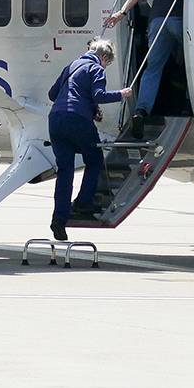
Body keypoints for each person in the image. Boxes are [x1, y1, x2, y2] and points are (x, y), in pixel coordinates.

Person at [47, 38, 127, 241]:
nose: (106, 66)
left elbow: (52, 94)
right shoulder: (96, 68)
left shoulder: (72, 66)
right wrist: (121, 94)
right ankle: (83, 201)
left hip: (56, 119)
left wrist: (89, 106)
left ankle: (59, 219)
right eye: (107, 62)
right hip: (78, 120)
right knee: (94, 160)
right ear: (104, 57)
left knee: (65, 171)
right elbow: (99, 95)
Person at [105, 0, 185, 117]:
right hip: (180, 20)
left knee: (153, 68)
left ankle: (141, 110)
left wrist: (122, 12)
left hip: (157, 21)